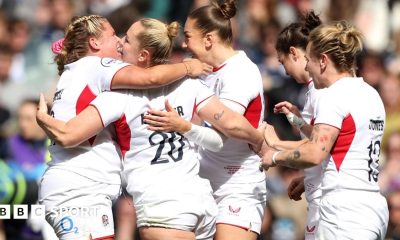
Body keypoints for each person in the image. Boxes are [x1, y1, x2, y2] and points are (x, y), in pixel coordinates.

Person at [36, 18, 266, 240]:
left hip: (161, 209)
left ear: (143, 54)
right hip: (199, 203)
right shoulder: (192, 85)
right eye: (117, 36)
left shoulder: (117, 96)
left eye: (125, 39)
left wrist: (44, 119)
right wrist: (261, 140)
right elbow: (225, 132)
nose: (119, 42)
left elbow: (69, 134)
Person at [146, 1, 266, 239]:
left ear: (209, 39)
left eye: (188, 36)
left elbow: (223, 135)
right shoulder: (206, 71)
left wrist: (183, 127)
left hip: (236, 187)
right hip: (200, 186)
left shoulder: (240, 72)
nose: (183, 43)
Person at [261, 21, 389, 239]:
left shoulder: (333, 96)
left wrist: (274, 156)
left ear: (323, 61)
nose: (308, 68)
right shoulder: (370, 93)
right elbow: (343, 145)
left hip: (344, 212)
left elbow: (315, 153)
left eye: (309, 60)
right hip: (371, 208)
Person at [263, 10, 322, 240]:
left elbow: (316, 148)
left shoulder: (320, 90)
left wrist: (276, 148)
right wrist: (297, 119)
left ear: (294, 53)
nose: (285, 70)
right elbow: (319, 137)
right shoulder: (312, 91)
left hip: (334, 208)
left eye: (282, 61)